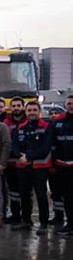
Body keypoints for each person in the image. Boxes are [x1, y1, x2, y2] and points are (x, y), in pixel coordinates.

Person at [12, 101, 53, 234]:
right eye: (29, 110)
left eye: (35, 110)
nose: (32, 112)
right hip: (22, 166)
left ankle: (44, 223)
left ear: (39, 111)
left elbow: (45, 147)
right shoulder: (20, 127)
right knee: (24, 194)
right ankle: (26, 221)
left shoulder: (46, 127)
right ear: (26, 111)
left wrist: (29, 157)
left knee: (41, 195)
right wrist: (21, 157)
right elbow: (14, 145)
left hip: (39, 167)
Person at [51, 96, 73, 236]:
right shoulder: (58, 122)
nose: (71, 106)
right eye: (69, 104)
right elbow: (51, 143)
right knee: (68, 197)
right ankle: (70, 224)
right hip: (62, 166)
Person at [3, 97, 27, 223]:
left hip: (26, 163)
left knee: (25, 191)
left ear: (23, 107)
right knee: (13, 191)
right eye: (14, 106)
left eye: (19, 105)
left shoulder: (28, 121)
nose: (16, 108)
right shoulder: (6, 124)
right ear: (10, 108)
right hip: (11, 164)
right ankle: (15, 214)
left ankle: (26, 217)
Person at [48, 105, 66, 225]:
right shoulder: (48, 128)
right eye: (51, 113)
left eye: (56, 113)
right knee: (55, 193)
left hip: (65, 167)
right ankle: (58, 216)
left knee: (67, 193)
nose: (53, 115)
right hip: (51, 167)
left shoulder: (65, 127)